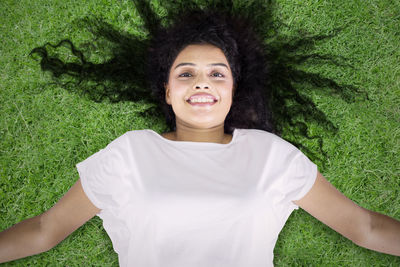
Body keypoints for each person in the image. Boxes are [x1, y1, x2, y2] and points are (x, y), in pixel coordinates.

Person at [1, 6, 399, 267]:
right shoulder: (130, 154)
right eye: (186, 73)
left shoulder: (272, 157)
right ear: (167, 91)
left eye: (217, 73)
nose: (201, 83)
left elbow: (364, 228)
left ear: (233, 91)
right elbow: (44, 231)